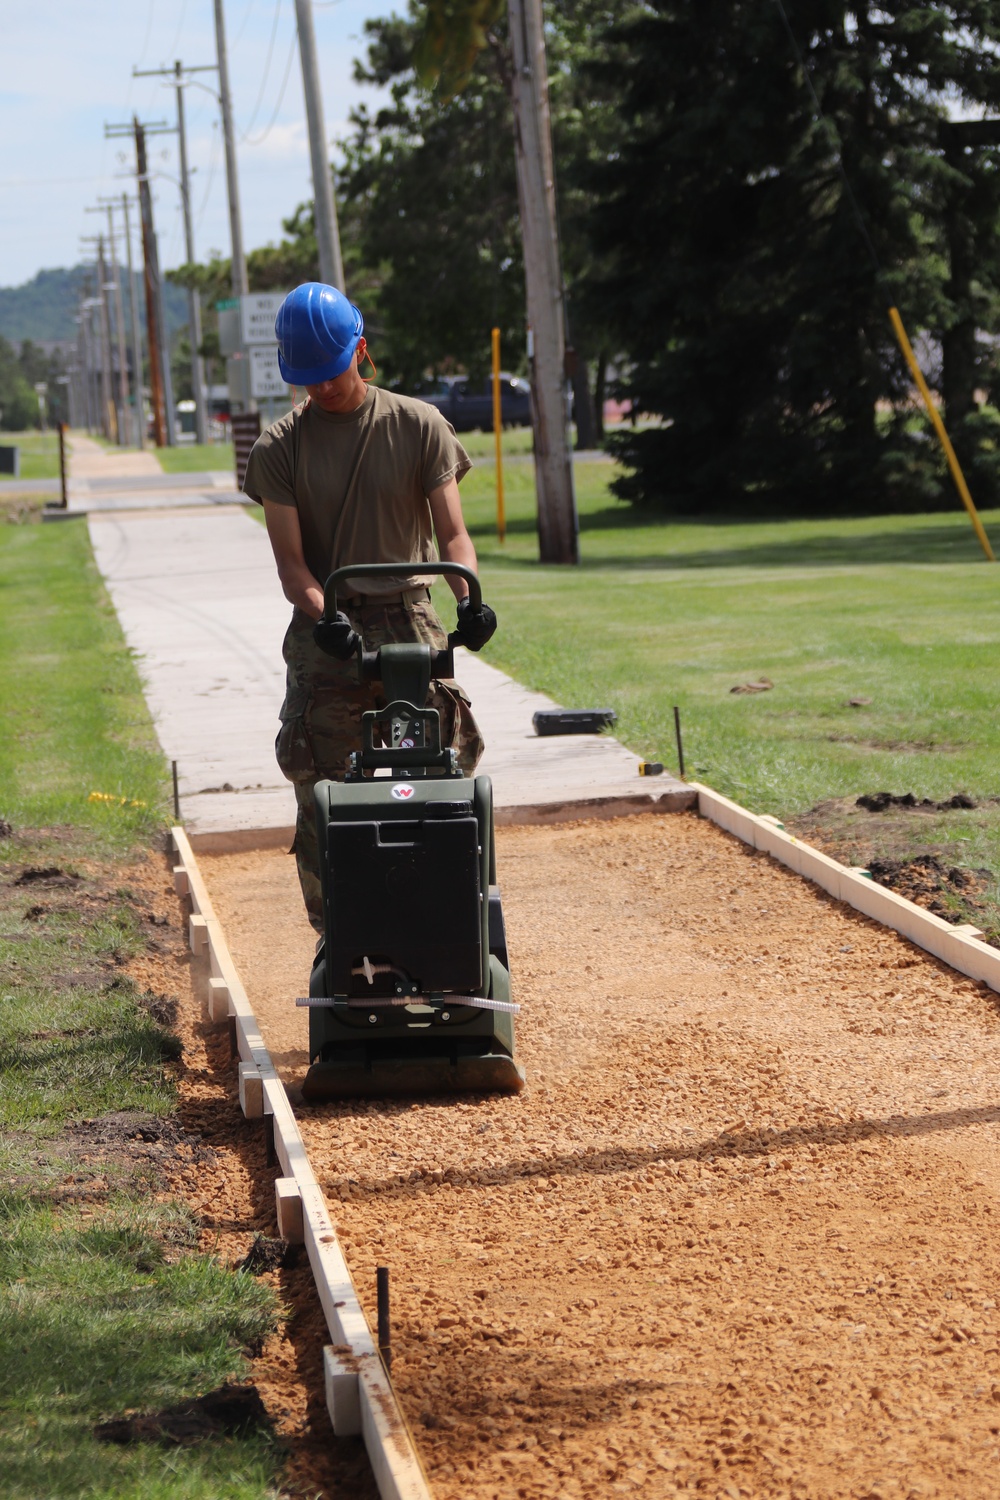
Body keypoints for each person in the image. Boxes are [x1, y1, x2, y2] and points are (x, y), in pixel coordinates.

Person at [243, 282, 497, 931]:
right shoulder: (279, 449)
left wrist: (469, 599)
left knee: (445, 763)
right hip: (329, 626)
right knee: (323, 782)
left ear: (360, 349)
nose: (323, 388)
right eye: (308, 378)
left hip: (410, 615)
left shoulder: (418, 425)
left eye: (332, 372)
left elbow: (454, 536)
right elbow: (291, 564)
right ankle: (341, 935)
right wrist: (324, 616)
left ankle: (443, 912)